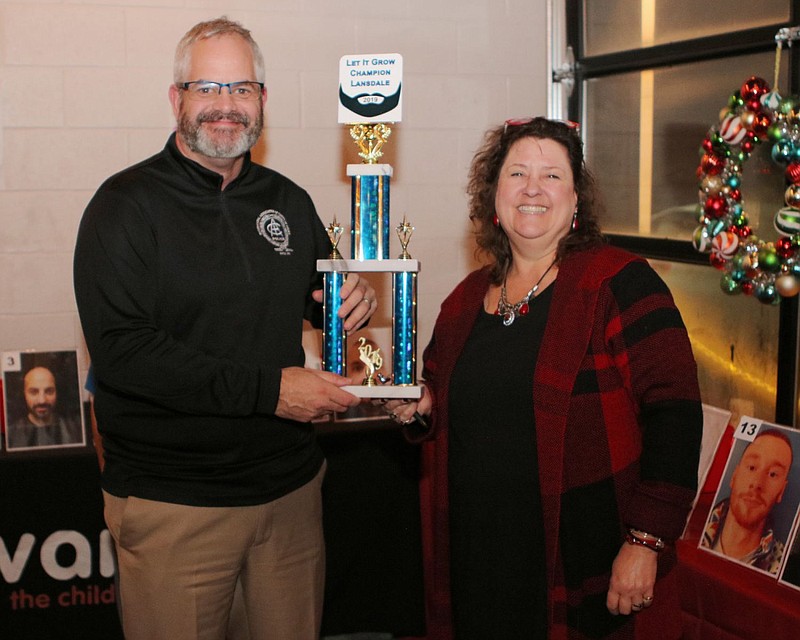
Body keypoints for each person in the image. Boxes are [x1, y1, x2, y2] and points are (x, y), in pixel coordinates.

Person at [73, 17, 376, 640]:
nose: (225, 106)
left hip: (289, 497)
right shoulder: (123, 206)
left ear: (263, 100)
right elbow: (126, 355)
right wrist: (271, 392)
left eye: (242, 88)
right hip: (175, 506)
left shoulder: (288, 201)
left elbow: (321, 304)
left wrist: (354, 302)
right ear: (176, 97)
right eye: (207, 88)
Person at [382, 117, 702, 639]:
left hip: (581, 563)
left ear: (576, 201)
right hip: (477, 563)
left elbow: (676, 414)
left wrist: (646, 540)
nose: (533, 188)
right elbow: (442, 398)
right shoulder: (463, 302)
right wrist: (421, 405)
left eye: (552, 176)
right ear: (495, 197)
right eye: (517, 174)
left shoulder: (619, 282)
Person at [701, 429, 793, 574]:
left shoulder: (781, 564)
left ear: (781, 491)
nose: (757, 483)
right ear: (734, 476)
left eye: (773, 474)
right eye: (752, 467)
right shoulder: (698, 525)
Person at [7, 365, 84, 449]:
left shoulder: (75, 431)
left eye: (49, 391)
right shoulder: (11, 435)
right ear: (24, 394)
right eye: (33, 392)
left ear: (57, 392)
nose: (42, 400)